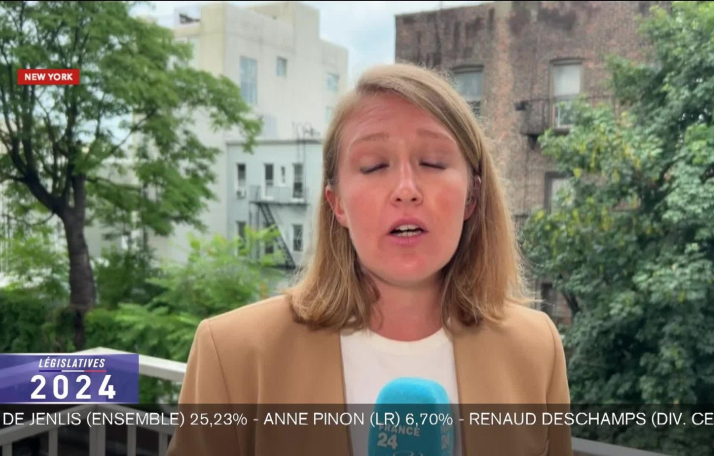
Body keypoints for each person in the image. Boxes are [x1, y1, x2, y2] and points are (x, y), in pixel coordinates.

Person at [168, 63, 571, 456]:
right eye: (374, 166)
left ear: (472, 195)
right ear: (337, 203)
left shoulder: (536, 347)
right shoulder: (232, 354)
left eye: (433, 162)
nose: (406, 189)